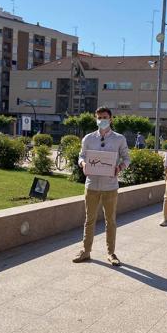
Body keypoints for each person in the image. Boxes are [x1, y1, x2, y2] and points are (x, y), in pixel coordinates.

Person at [73, 107, 130, 266]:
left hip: (110, 186)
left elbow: (127, 158)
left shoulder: (119, 139)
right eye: (99, 117)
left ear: (111, 119)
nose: (102, 120)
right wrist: (83, 163)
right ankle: (85, 251)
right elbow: (81, 156)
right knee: (89, 220)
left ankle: (111, 253)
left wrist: (120, 168)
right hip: (91, 185)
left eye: (105, 117)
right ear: (95, 118)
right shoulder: (88, 138)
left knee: (110, 221)